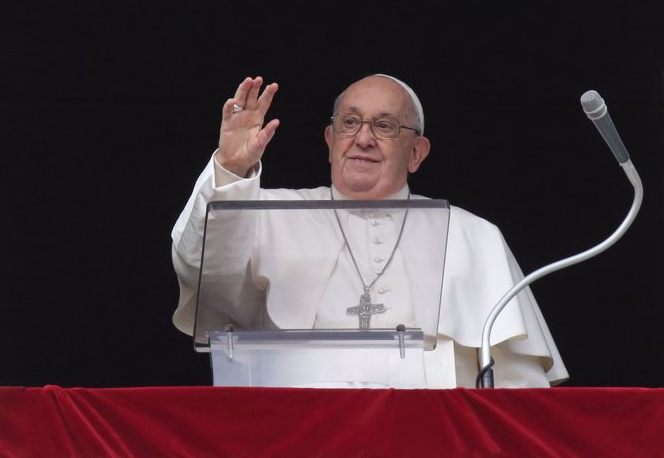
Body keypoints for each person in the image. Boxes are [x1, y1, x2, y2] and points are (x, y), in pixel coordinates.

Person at [170, 74, 569, 388]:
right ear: (330, 141)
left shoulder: (472, 236)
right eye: (350, 122)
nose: (363, 138)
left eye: (385, 126)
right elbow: (200, 269)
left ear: (416, 153)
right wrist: (231, 168)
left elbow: (519, 388)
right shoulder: (265, 213)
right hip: (294, 431)